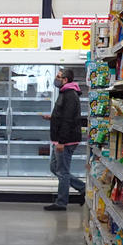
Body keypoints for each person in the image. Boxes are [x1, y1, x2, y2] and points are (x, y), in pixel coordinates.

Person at [44, 66, 86, 211]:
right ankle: (82, 188)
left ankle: (61, 203)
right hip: (61, 139)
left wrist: (62, 142)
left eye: (58, 76)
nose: (56, 79)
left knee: (62, 172)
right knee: (55, 168)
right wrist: (53, 117)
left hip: (66, 141)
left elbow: (68, 120)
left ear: (65, 80)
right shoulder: (65, 92)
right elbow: (64, 116)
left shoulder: (70, 94)